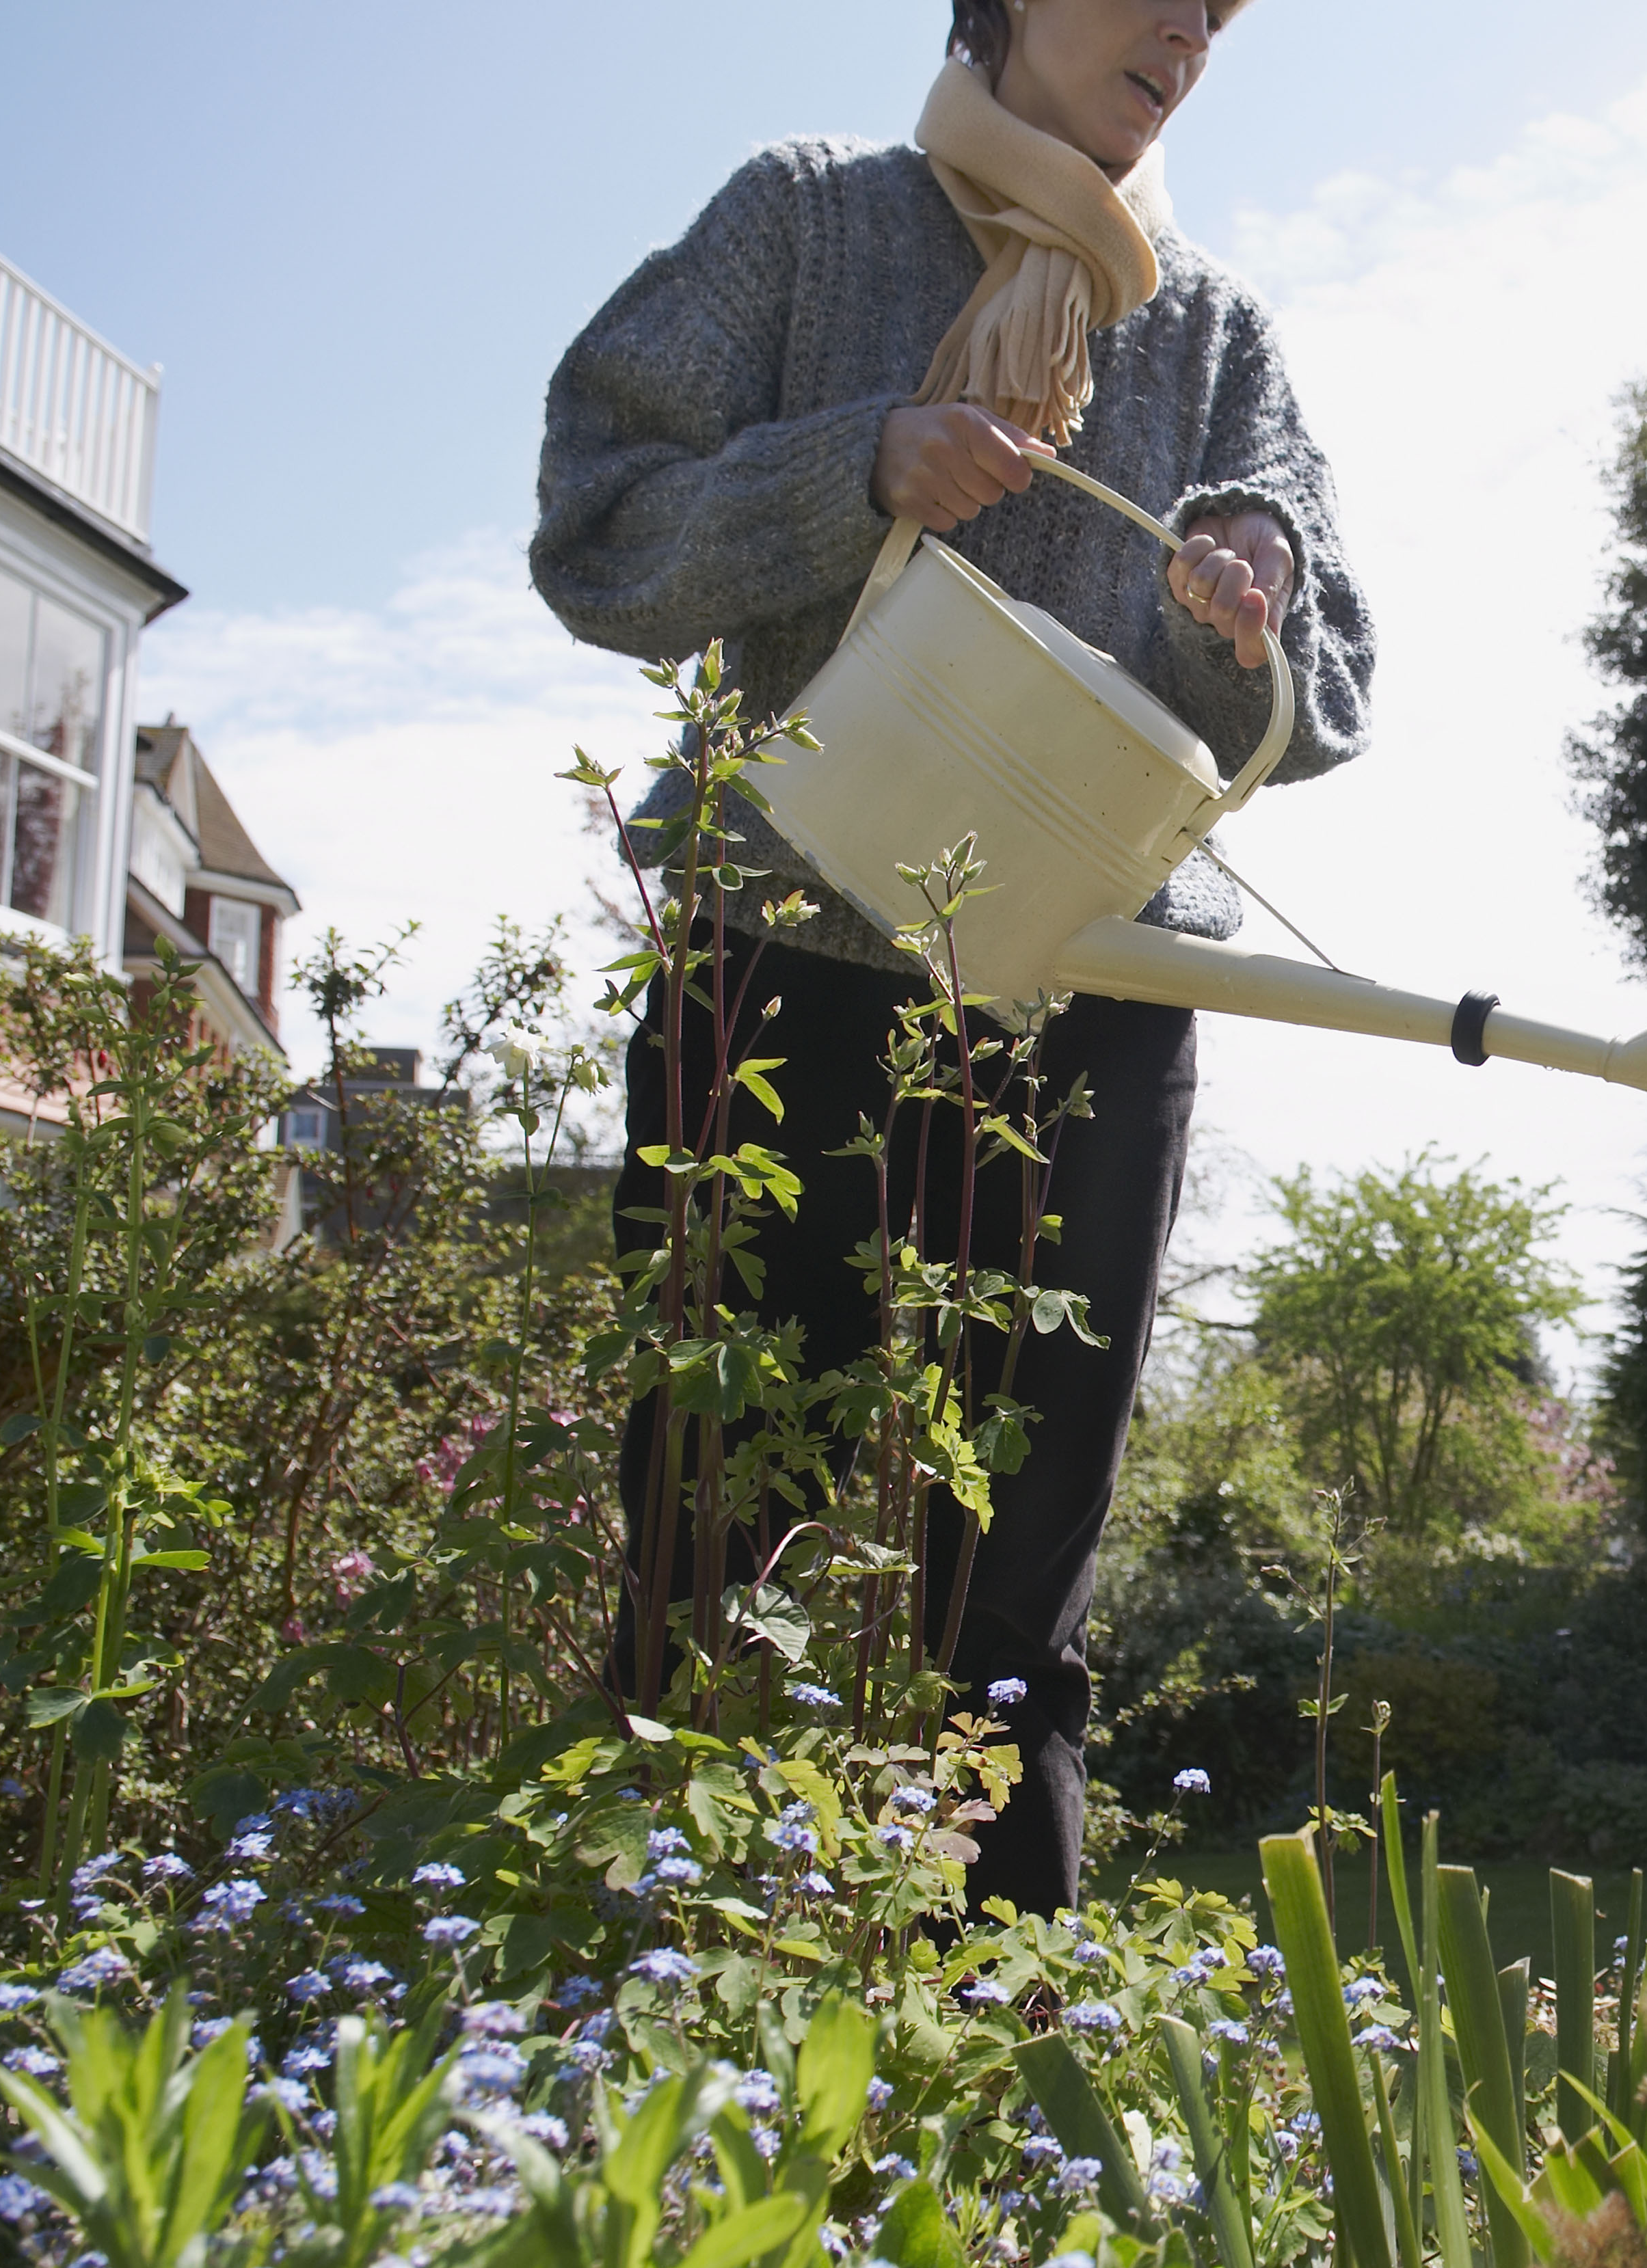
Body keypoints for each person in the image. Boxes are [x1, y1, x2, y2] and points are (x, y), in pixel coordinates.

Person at [530, 0, 1375, 1919]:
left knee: (1015, 1601)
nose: (1192, 29)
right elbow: (598, 535)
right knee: (714, 1531)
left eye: (1225, 12)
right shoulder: (804, 224)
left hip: (1097, 999)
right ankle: (664, 2034)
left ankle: (1001, 2113)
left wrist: (1236, 605)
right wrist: (861, 467)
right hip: (778, 969)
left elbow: (1318, 699)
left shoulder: (1217, 331)